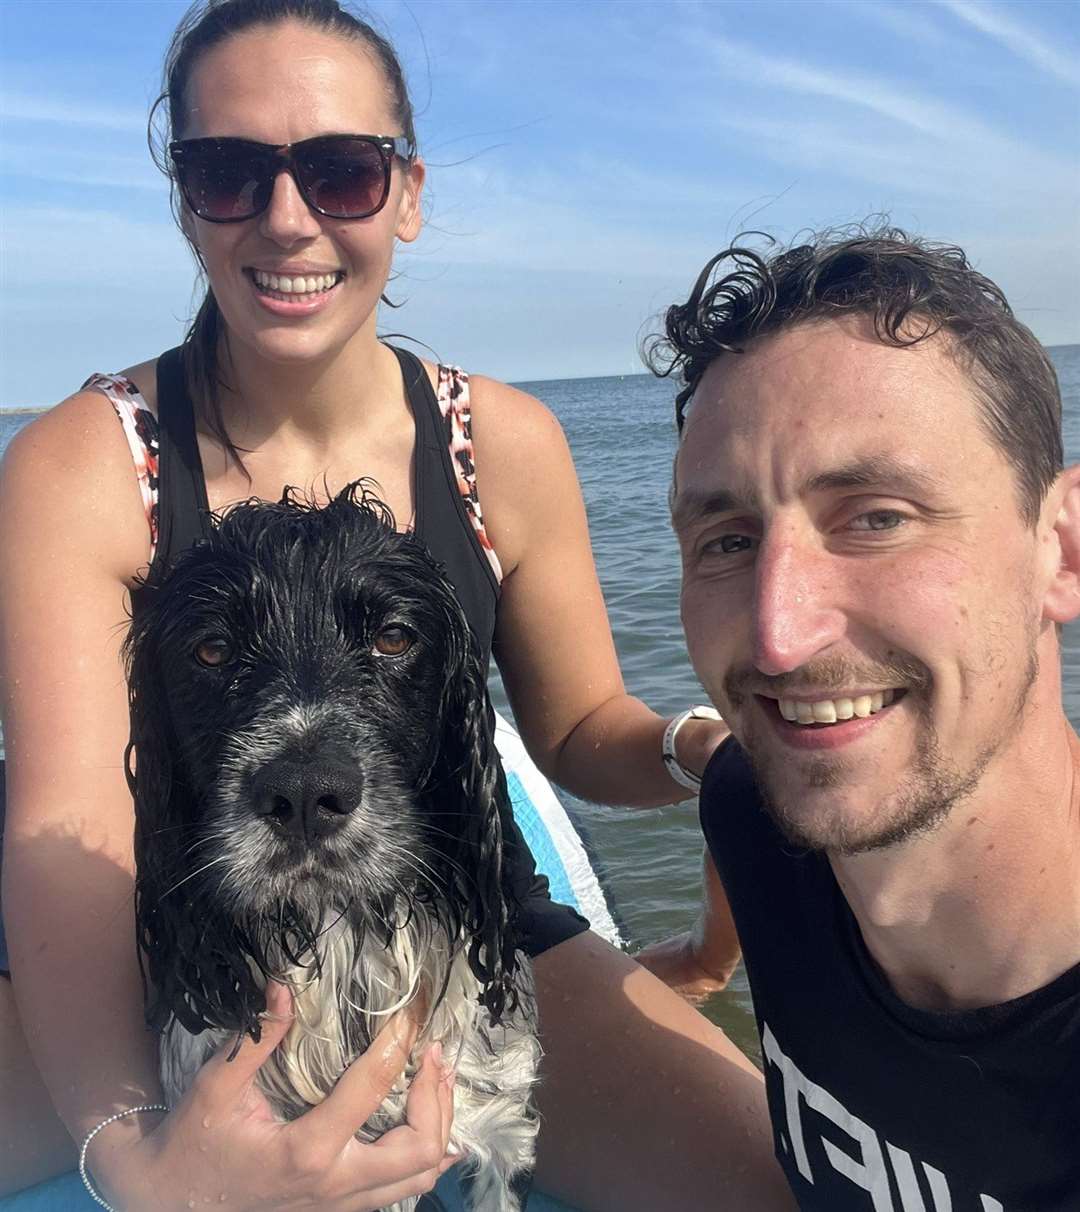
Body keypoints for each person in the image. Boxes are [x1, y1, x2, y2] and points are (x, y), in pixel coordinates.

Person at [0, 2, 792, 1209]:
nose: (286, 218)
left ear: (406, 194)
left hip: (449, 914)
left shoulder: (502, 444)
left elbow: (578, 728)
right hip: (171, 924)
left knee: (762, 1183)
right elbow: (74, 823)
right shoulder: (82, 465)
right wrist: (132, 1157)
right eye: (228, 172)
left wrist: (705, 751)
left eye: (340, 171)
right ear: (185, 201)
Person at [650, 226, 1080, 1210]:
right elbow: (730, 778)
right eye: (726, 540)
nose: (778, 635)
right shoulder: (756, 813)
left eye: (876, 516)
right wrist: (712, 958)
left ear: (1060, 551)